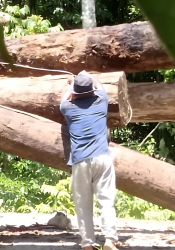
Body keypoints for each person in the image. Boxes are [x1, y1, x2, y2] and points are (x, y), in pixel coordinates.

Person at [60, 71, 118, 250]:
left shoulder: (67, 108)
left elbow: (64, 97)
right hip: (103, 158)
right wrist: (90, 75)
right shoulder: (101, 101)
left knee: (83, 204)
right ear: (92, 91)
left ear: (75, 93)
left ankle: (88, 244)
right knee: (107, 201)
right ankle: (109, 239)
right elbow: (100, 86)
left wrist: (72, 82)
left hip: (81, 162)